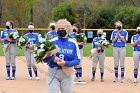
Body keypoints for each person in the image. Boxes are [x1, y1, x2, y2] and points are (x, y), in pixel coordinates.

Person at [43, 19, 80, 93]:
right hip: (53, 72)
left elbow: (77, 60)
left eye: (63, 29)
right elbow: (44, 58)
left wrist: (65, 63)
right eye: (58, 29)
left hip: (67, 73)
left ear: (68, 29)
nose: (60, 30)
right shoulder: (52, 41)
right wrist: (53, 58)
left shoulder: (73, 43)